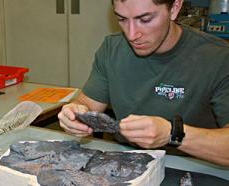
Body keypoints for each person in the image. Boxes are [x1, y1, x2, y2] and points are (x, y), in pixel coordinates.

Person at [58, 0, 229, 166]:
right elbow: (86, 104)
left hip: (196, 169)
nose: (132, 35)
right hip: (127, 165)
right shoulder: (112, 50)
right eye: (122, 19)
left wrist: (172, 134)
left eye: (145, 19)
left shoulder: (219, 58)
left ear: (175, 8)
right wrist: (74, 114)